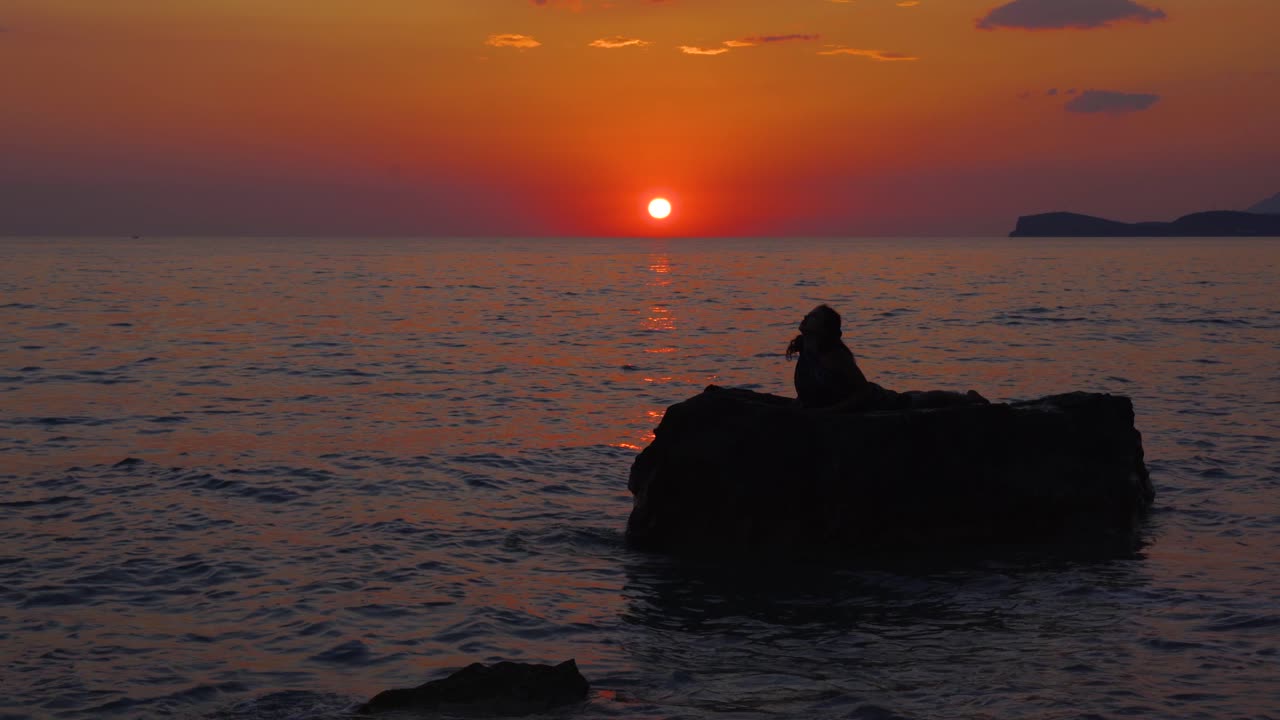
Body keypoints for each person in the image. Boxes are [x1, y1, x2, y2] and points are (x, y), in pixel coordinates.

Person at [786, 304, 874, 409]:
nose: (805, 317)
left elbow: (864, 392)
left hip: (878, 402)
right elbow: (812, 389)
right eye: (808, 315)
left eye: (813, 317)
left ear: (824, 328)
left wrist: (829, 411)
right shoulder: (805, 349)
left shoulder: (834, 356)